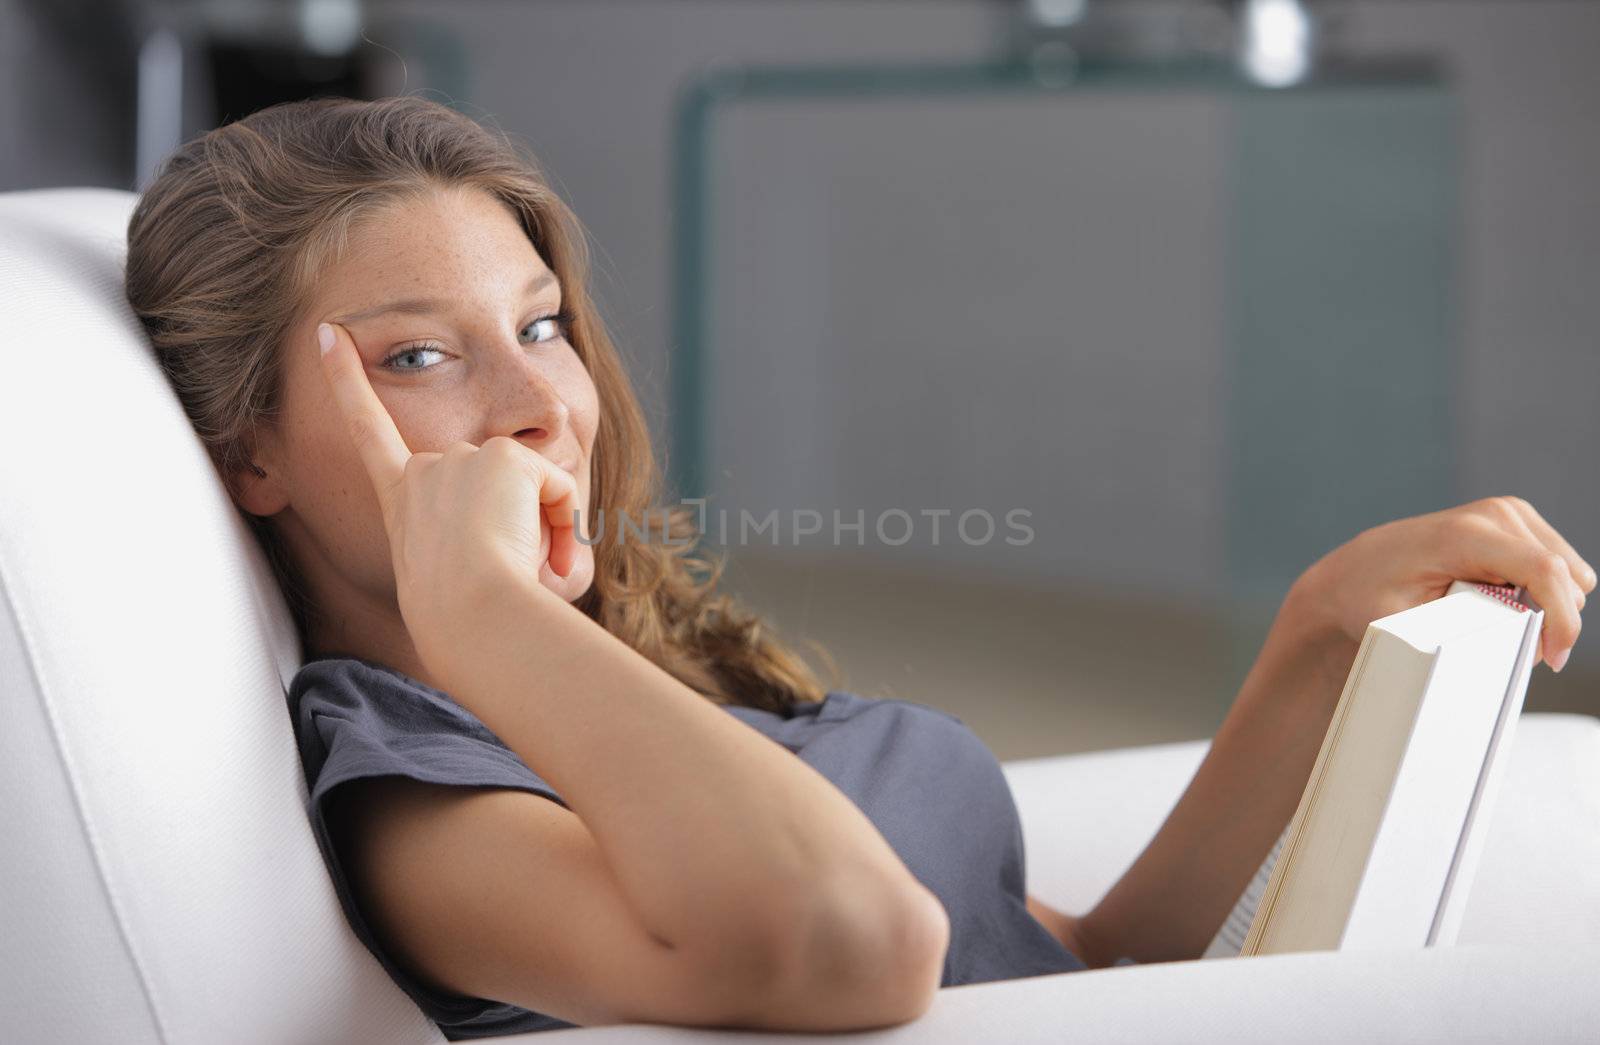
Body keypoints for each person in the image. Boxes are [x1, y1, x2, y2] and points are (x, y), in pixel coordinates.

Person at [124, 95, 1593, 1039]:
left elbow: (1066, 960)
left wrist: (1315, 633)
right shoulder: (415, 798)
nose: (538, 405)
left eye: (544, 324)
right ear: (251, 451)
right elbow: (862, 942)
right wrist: (485, 611)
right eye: (420, 356)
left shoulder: (614, 675)